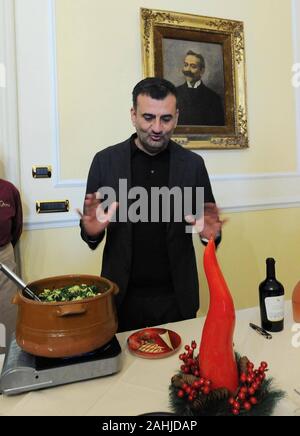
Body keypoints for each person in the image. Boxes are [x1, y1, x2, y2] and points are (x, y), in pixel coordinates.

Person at [80, 77, 224, 332]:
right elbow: (91, 234)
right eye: (148, 117)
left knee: (180, 370)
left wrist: (210, 236)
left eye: (166, 119)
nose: (157, 127)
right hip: (120, 299)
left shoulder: (192, 165)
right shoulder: (105, 162)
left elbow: (208, 229)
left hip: (177, 299)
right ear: (133, 115)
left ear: (176, 117)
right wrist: (92, 232)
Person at [0, 178, 23, 353]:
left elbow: (17, 227)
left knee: (7, 312)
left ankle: (5, 357)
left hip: (3, 254)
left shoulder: (8, 190)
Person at [176, 50, 225, 126]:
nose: (188, 70)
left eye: (193, 66)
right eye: (186, 65)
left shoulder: (214, 98)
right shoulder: (174, 94)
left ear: (202, 71)